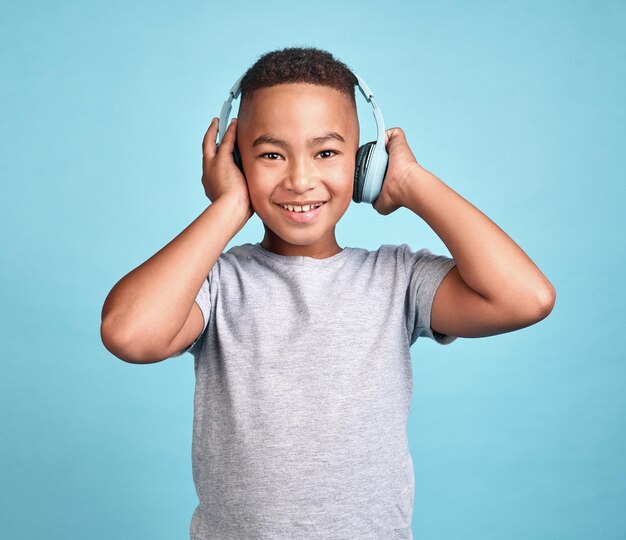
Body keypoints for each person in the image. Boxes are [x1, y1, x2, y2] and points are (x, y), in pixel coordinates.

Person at [100, 46, 556, 540]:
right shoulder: (215, 285)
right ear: (235, 161)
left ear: (364, 164)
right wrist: (229, 207)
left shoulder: (396, 279)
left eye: (326, 153)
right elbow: (129, 333)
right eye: (271, 155)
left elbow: (526, 298)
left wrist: (410, 181)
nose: (300, 179)